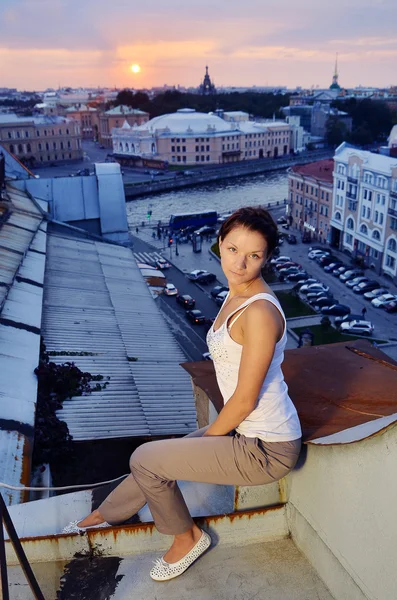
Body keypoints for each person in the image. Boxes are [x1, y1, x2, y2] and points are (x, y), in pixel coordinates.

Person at [63, 206, 302, 582]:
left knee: (148, 458)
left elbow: (244, 400)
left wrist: (208, 439)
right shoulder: (237, 291)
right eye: (233, 249)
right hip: (248, 433)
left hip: (266, 449)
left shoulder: (259, 313)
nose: (239, 263)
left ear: (267, 258)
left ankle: (186, 538)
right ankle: (103, 516)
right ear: (220, 243)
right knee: (159, 457)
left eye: (254, 255)